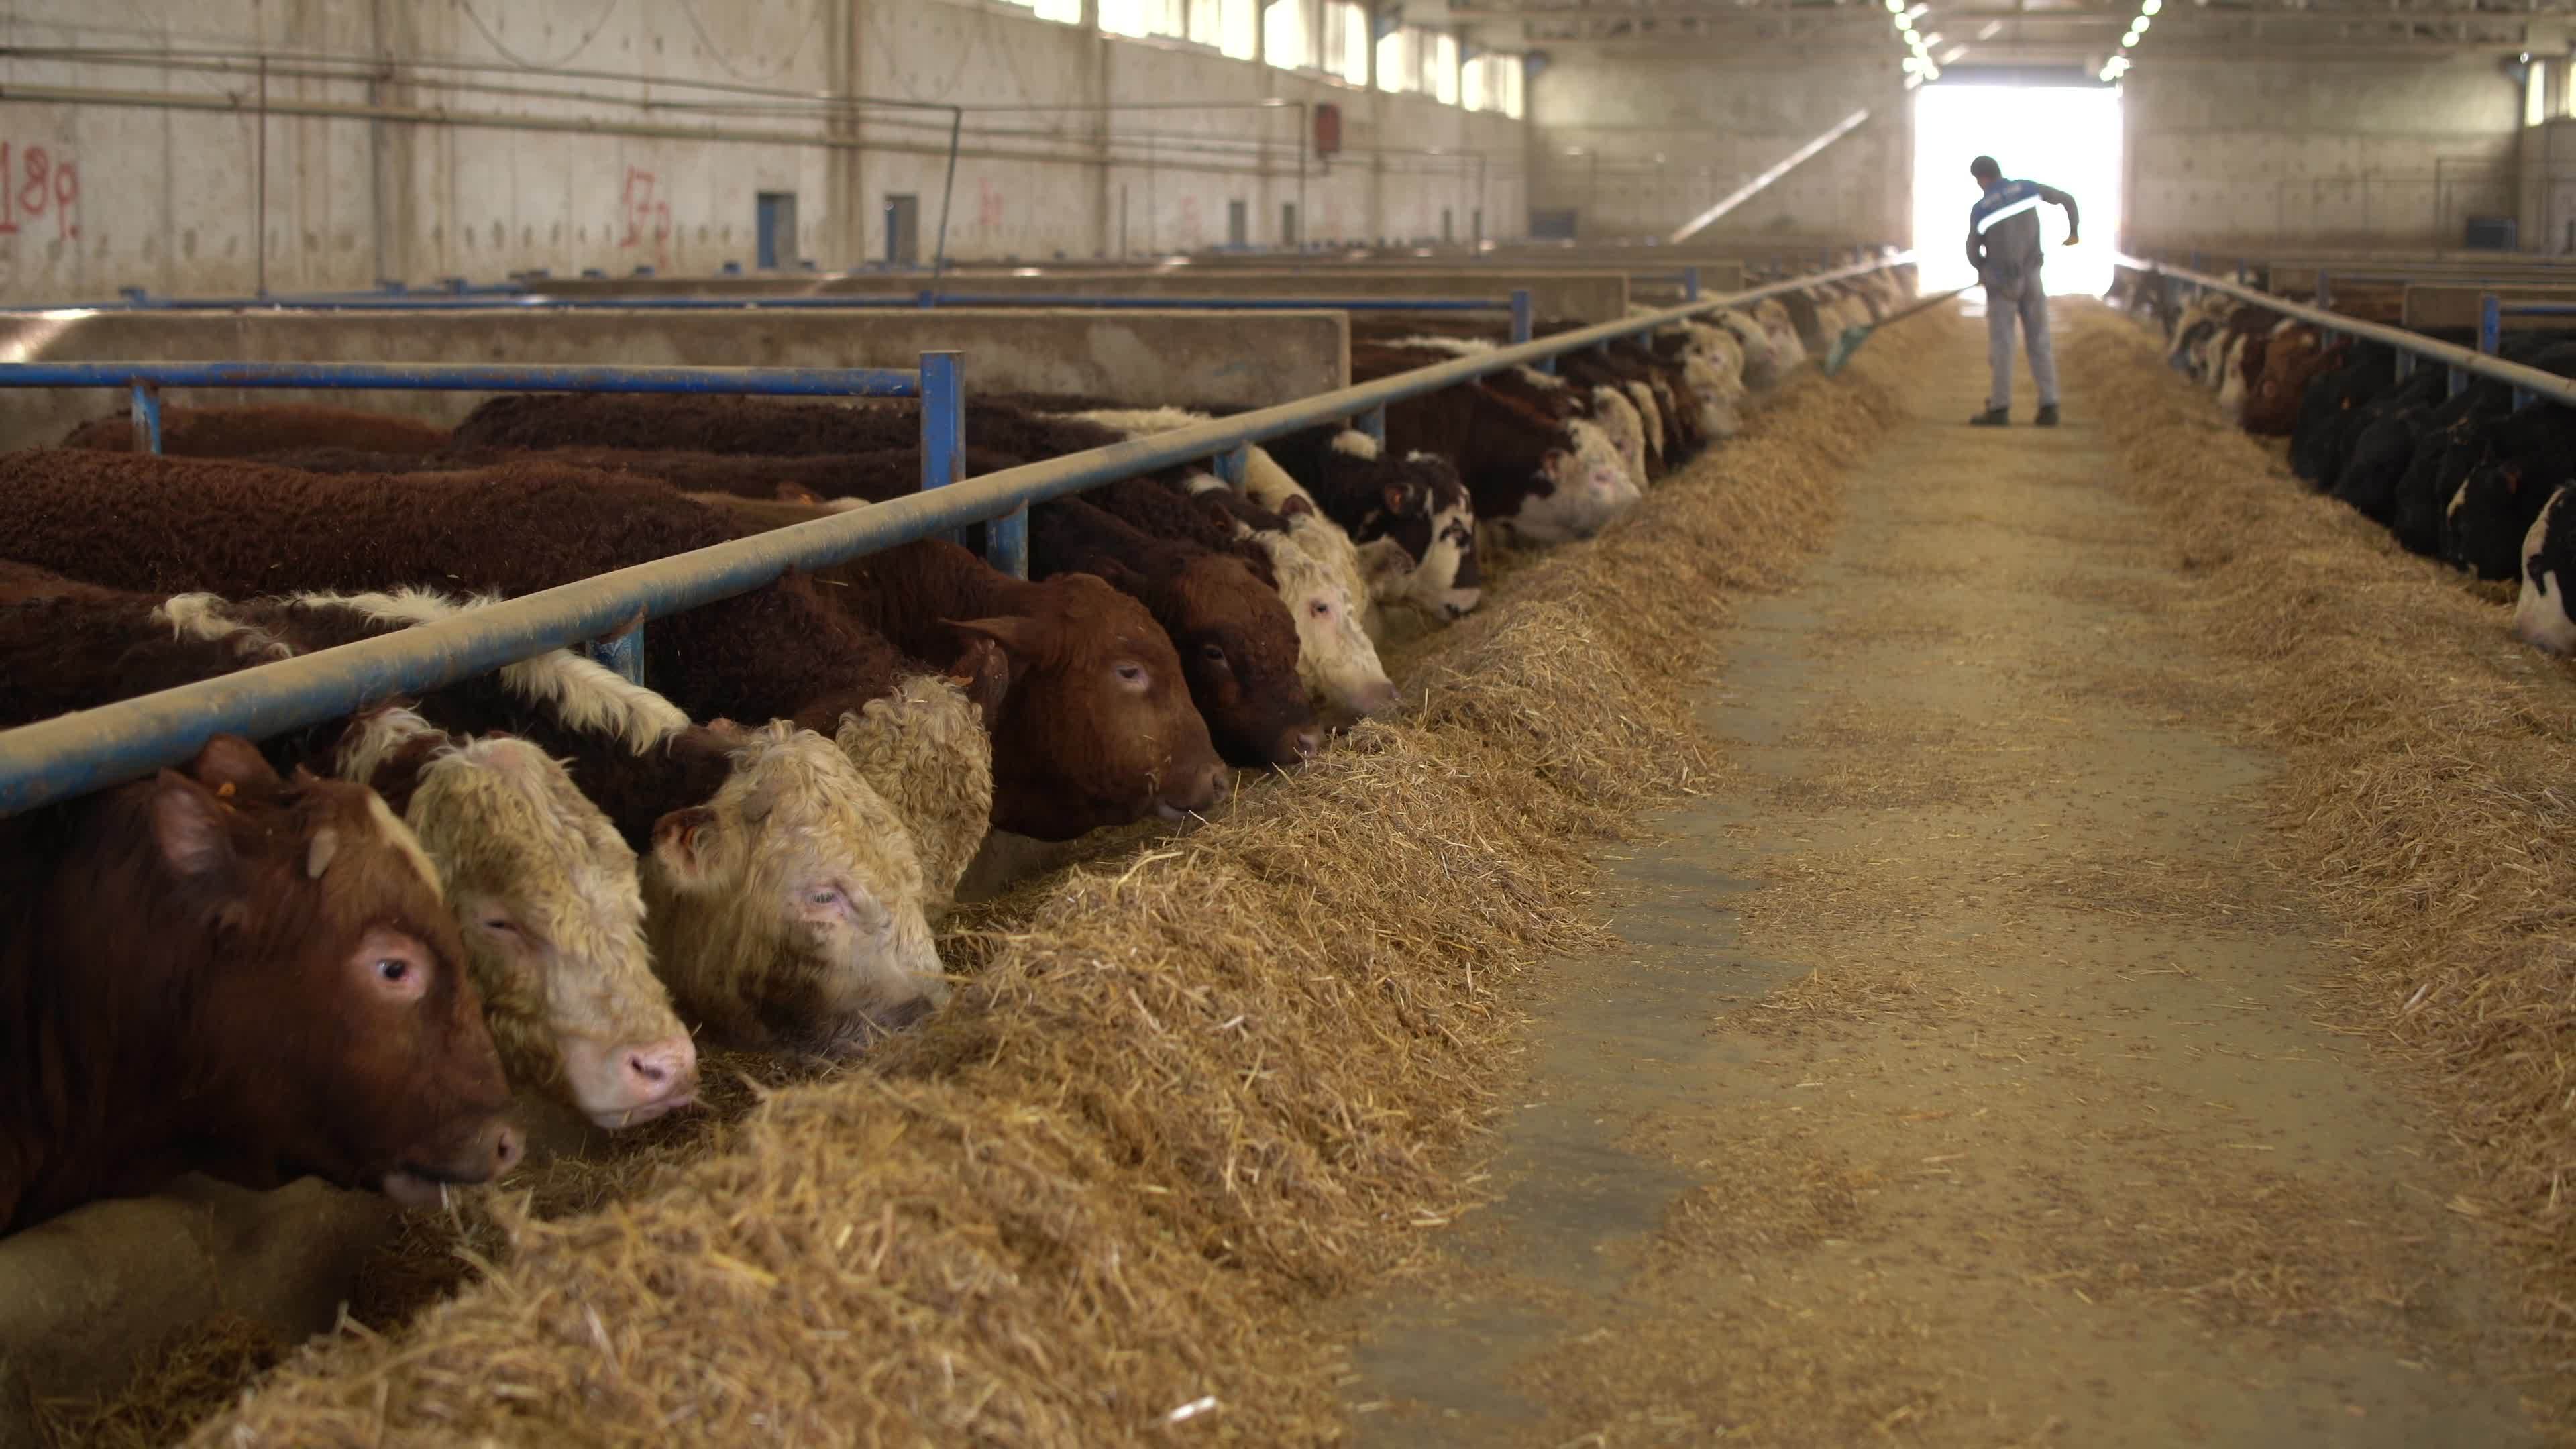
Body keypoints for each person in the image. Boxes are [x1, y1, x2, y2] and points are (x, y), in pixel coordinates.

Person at [1965, 156, 2080, 427]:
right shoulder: (2027, 189)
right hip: (2032, 277)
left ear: (1981, 179)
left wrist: (1983, 271)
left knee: (2003, 346)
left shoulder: (1982, 208)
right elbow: (2067, 199)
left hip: (2002, 284)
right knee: (2040, 340)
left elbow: (1972, 249)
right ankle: (2049, 406)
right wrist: (2074, 231)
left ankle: (2000, 408)